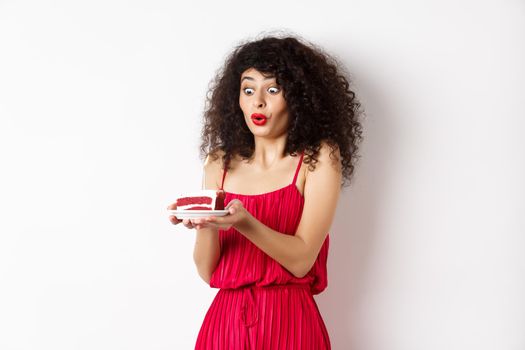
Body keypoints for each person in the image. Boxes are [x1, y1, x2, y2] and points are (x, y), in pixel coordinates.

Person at [167, 33, 363, 349]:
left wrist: (245, 222)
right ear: (237, 99)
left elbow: (301, 260)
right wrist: (205, 224)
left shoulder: (318, 158)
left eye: (272, 89)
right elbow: (208, 271)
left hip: (292, 325)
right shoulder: (220, 162)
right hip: (225, 327)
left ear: (298, 96)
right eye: (248, 89)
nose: (258, 101)